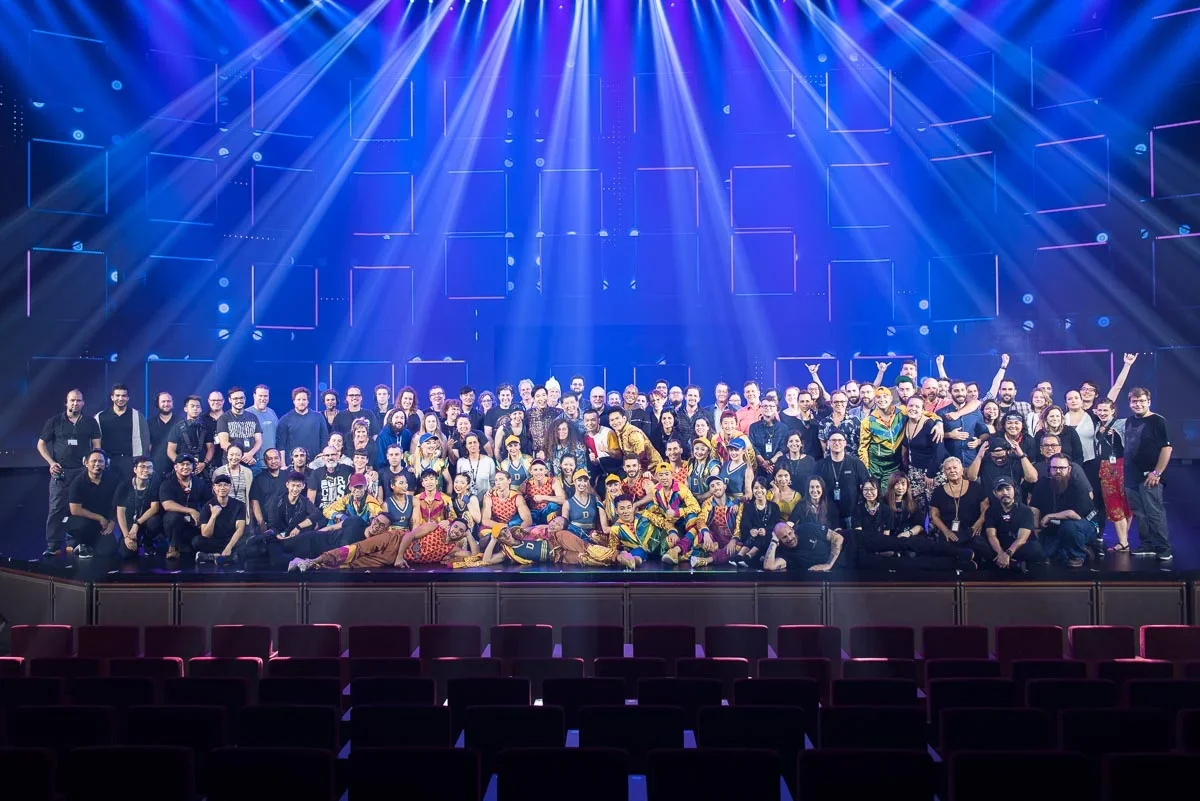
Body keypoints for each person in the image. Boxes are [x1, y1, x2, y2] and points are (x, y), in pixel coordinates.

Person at [37, 389, 102, 558]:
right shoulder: (54, 421)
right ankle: (53, 545)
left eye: (79, 400)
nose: (75, 403)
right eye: (72, 400)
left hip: (82, 472)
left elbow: (97, 446)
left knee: (81, 509)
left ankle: (77, 543)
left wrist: (92, 465)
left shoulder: (90, 422)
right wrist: (51, 463)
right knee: (57, 508)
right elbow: (41, 444)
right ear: (66, 402)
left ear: (83, 403)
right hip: (61, 472)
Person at [1122, 387, 1172, 561]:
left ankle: (1163, 547)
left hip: (1150, 476)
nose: (1138, 404)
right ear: (1130, 403)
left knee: (1154, 512)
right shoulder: (1129, 421)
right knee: (1139, 513)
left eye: (1142, 401)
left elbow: (1166, 449)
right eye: (1134, 401)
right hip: (1131, 476)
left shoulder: (1158, 421)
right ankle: (1147, 544)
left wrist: (1156, 472)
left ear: (1149, 402)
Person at [1030, 454, 1099, 568]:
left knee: (1069, 527)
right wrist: (1036, 528)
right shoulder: (1042, 484)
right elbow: (1035, 507)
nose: (1058, 471)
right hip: (1055, 525)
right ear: (1049, 469)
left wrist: (1050, 516)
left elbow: (1075, 515)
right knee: (1043, 553)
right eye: (1054, 468)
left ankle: (1077, 555)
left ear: (1069, 469)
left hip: (1084, 524)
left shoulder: (1078, 485)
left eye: (1062, 468)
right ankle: (1068, 550)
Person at [974, 476, 1045, 571]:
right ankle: (1012, 563)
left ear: (1014, 490)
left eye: (1008, 489)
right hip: (999, 545)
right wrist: (1000, 553)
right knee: (977, 541)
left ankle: (1001, 562)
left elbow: (1022, 539)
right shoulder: (990, 511)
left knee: (1035, 548)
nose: (1005, 493)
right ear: (995, 493)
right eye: (1000, 490)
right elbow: (991, 535)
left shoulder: (1025, 511)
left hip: (1017, 546)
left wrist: (1007, 554)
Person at [65, 449, 121, 559]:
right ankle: (80, 543)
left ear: (106, 464)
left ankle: (94, 543)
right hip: (84, 520)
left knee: (108, 551)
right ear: (86, 463)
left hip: (105, 522)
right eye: (94, 461)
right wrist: (99, 518)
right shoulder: (77, 483)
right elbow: (75, 510)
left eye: (100, 461)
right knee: (78, 524)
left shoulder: (114, 480)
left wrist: (112, 522)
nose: (97, 464)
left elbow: (120, 504)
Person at [159, 454, 212, 561]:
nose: (185, 467)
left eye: (188, 464)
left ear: (193, 467)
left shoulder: (199, 483)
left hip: (193, 521)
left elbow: (209, 502)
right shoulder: (167, 483)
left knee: (192, 546)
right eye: (182, 464)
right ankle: (173, 547)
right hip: (174, 522)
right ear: (176, 467)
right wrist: (191, 511)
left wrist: (203, 516)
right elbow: (167, 505)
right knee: (173, 517)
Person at [114, 456, 163, 558]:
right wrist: (126, 536)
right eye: (142, 467)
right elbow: (120, 512)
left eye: (149, 467)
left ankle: (148, 541)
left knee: (155, 522)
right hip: (128, 522)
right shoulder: (124, 486)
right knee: (127, 554)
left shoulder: (155, 485)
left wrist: (137, 524)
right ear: (135, 469)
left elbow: (154, 508)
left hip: (144, 521)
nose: (146, 470)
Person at [193, 475, 248, 565]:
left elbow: (240, 529)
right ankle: (228, 557)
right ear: (214, 488)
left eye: (225, 485)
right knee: (197, 541)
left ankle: (213, 556)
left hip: (232, 540)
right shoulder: (207, 506)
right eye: (219, 485)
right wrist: (213, 516)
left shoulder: (240, 505)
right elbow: (206, 534)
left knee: (249, 543)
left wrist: (229, 547)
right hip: (216, 541)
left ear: (230, 487)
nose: (222, 488)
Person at [763, 521, 844, 572]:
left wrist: (828, 564)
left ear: (792, 530)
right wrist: (773, 541)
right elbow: (769, 566)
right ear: (779, 539)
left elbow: (838, 538)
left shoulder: (807, 528)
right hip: (829, 573)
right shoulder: (784, 552)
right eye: (784, 537)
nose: (789, 538)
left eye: (790, 533)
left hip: (844, 554)